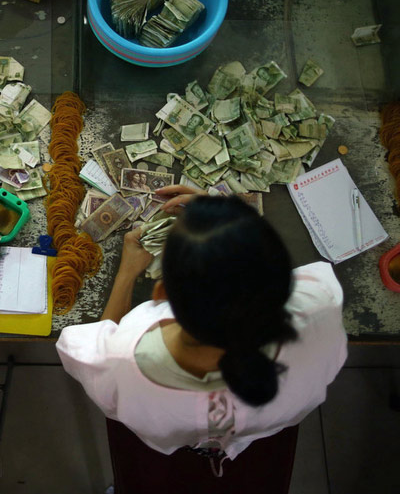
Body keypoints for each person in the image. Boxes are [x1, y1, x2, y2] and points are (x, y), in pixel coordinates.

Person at [57, 185, 347, 469]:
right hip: (263, 434)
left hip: (160, 454)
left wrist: (127, 274)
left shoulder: (121, 356)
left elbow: (87, 346)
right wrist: (223, 223)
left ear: (161, 294)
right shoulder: (320, 309)